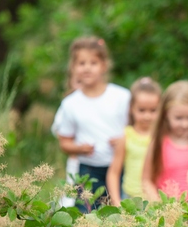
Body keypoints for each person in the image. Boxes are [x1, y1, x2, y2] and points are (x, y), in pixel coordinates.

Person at [51, 36, 130, 212]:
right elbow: (64, 142)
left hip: (121, 167)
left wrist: (124, 140)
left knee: (121, 214)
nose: (87, 68)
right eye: (81, 63)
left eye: (93, 63)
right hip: (87, 171)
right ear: (73, 67)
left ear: (104, 65)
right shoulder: (70, 103)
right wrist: (79, 148)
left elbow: (138, 130)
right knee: (87, 216)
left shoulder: (121, 97)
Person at [142, 80, 188, 202]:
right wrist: (157, 204)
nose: (184, 124)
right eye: (178, 118)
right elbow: (146, 179)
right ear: (166, 115)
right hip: (167, 206)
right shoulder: (159, 142)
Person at [106, 77, 161, 205]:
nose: (147, 116)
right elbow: (114, 172)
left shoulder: (160, 137)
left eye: (153, 110)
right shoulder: (127, 136)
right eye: (141, 110)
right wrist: (116, 201)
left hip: (156, 198)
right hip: (130, 198)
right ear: (131, 108)